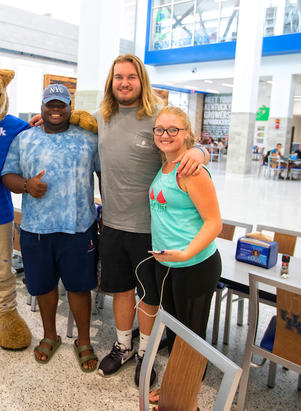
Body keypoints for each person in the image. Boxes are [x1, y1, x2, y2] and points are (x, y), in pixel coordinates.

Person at [95, 54, 207, 386]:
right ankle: (123, 346)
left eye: (131, 77)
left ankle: (146, 351)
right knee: (120, 291)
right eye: (118, 77)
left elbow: (190, 143)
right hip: (112, 223)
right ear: (111, 82)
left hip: (148, 229)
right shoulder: (102, 117)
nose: (124, 83)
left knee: (148, 295)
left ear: (141, 80)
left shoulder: (157, 117)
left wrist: (200, 152)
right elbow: (67, 120)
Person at [1, 85, 100, 372]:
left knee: (80, 288)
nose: (55, 110)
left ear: (71, 107)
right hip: (37, 228)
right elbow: (8, 175)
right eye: (49, 105)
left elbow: (105, 175)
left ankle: (83, 341)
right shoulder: (25, 140)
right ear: (41, 107)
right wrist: (27, 186)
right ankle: (50, 335)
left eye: (61, 105)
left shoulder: (89, 140)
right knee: (43, 287)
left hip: (78, 228)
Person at [147, 106, 222, 407]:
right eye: (159, 130)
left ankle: (187, 399)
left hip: (194, 265)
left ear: (187, 133)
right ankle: (175, 387)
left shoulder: (192, 170)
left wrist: (186, 253)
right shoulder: (165, 165)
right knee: (176, 333)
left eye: (173, 130)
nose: (165, 135)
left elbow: (215, 223)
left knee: (191, 339)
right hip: (167, 264)